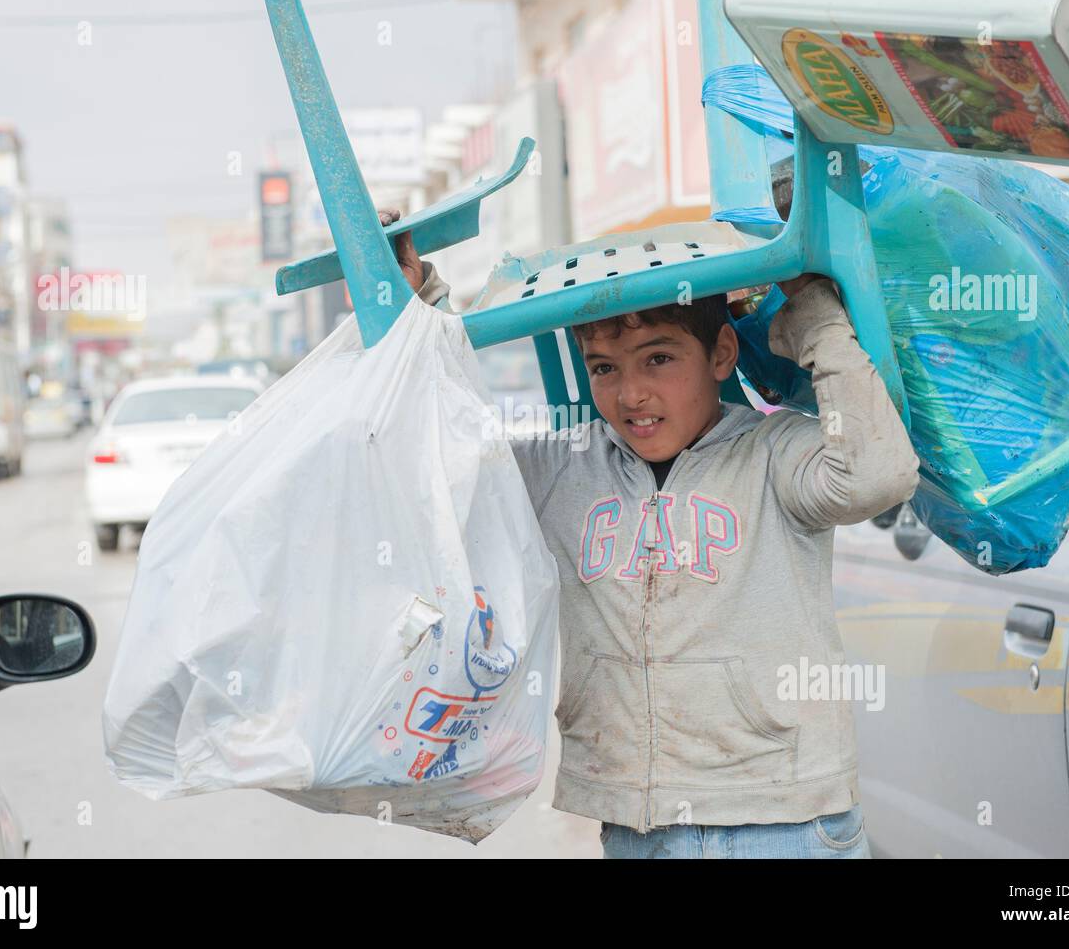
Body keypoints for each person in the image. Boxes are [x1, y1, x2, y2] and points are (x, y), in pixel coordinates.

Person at [377, 209, 921, 858]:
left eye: (658, 358)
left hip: (784, 820)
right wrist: (412, 310)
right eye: (604, 367)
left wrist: (814, 315)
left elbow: (879, 473)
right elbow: (439, 470)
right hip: (639, 825)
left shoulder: (773, 454)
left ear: (721, 353)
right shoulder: (565, 467)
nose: (631, 392)